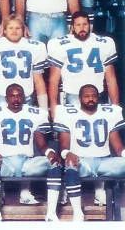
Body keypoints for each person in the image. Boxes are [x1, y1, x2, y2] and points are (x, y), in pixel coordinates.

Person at [0, 83, 58, 221]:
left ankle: (51, 213)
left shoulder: (36, 114)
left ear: (24, 97)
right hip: (5, 162)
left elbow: (41, 141)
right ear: (6, 98)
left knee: (54, 163)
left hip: (27, 163)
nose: (16, 99)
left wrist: (49, 152)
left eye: (19, 96)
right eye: (12, 96)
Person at [53, 84, 125, 222]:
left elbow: (118, 147)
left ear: (98, 97)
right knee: (70, 165)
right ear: (79, 98)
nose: (90, 99)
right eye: (86, 96)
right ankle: (78, 213)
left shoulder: (109, 113)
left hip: (104, 162)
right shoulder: (67, 114)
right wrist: (67, 153)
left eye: (93, 96)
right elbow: (63, 145)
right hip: (82, 162)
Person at [46, 11, 119, 112]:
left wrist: (116, 107)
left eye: (85, 24)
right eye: (78, 25)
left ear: (90, 25)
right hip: (72, 95)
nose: (82, 28)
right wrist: (53, 108)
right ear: (72, 27)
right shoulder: (59, 44)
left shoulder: (105, 43)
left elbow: (111, 79)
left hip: (98, 94)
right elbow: (54, 80)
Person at [0, 15, 48, 106]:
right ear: (4, 30)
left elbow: (38, 80)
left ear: (23, 30)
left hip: (27, 96)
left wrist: (44, 108)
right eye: (10, 28)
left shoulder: (35, 47)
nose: (14, 31)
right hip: (2, 96)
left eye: (17, 28)